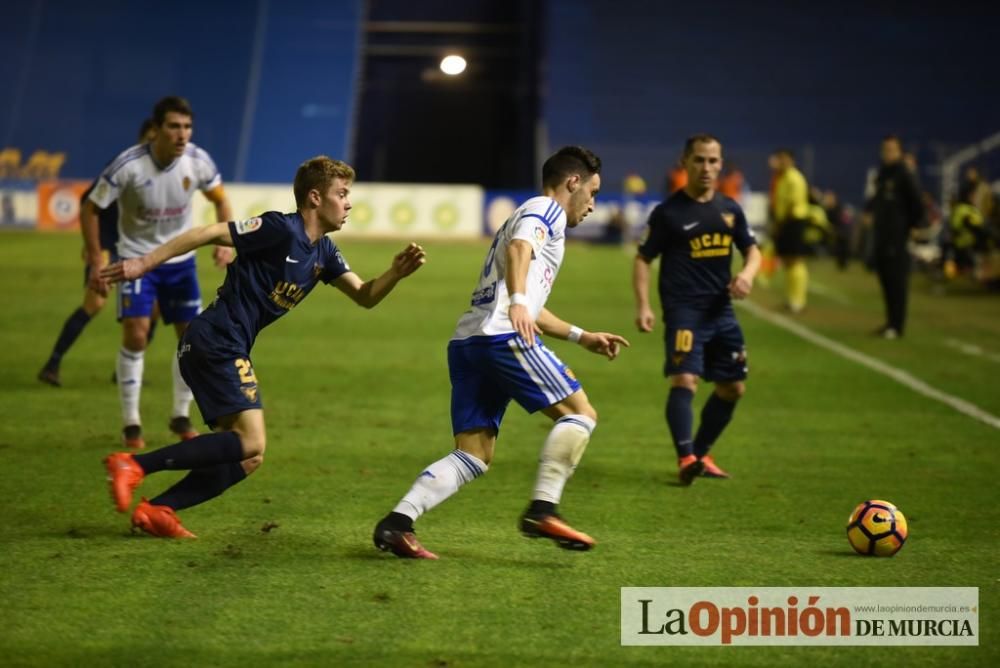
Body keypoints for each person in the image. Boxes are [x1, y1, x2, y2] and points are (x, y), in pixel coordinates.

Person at [101, 156, 426, 538]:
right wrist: (144, 263)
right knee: (251, 439)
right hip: (216, 338)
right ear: (315, 198)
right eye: (342, 194)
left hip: (222, 343)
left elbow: (365, 295)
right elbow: (206, 232)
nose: (349, 203)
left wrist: (395, 274)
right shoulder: (278, 229)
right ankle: (134, 465)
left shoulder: (325, 253)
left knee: (249, 456)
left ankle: (158, 509)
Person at [372, 146, 629, 560]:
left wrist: (582, 336)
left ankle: (397, 523)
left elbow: (530, 300)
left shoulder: (533, 220)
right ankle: (543, 509)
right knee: (580, 413)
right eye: (593, 192)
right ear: (573, 182)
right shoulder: (546, 209)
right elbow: (519, 253)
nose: (594, 205)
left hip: (470, 341)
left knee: (473, 455)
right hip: (501, 336)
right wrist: (519, 305)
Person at [84, 96, 234, 449]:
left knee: (191, 338)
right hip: (136, 261)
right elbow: (90, 209)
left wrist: (224, 238)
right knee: (137, 335)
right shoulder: (128, 165)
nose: (182, 135)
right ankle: (131, 422)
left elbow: (220, 200)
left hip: (180, 262)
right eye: (174, 127)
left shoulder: (197, 161)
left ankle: (181, 414)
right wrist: (95, 259)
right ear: (156, 130)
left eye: (187, 127)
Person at [633, 134, 760, 484]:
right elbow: (643, 259)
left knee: (732, 388)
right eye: (700, 160)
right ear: (685, 162)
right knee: (684, 379)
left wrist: (747, 275)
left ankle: (700, 454)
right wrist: (644, 306)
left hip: (722, 313)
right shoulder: (668, 213)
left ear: (721, 164)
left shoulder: (730, 210)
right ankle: (686, 456)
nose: (707, 167)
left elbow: (753, 250)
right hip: (684, 312)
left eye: (713, 161)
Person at [38, 119, 157, 387]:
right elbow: (87, 202)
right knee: (95, 303)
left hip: (136, 249)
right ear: (142, 138)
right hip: (107, 245)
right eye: (149, 137)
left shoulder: (159, 172)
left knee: (155, 311)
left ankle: (125, 371)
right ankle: (52, 364)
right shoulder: (124, 165)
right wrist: (93, 251)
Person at [864, 135, 925, 339]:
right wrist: (868, 211)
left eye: (892, 150)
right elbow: (876, 197)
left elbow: (917, 201)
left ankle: (897, 326)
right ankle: (890, 322)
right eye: (885, 149)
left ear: (899, 151)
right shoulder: (883, 172)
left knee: (897, 281)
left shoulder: (903, 173)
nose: (888, 153)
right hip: (882, 233)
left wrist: (915, 225)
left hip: (898, 235)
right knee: (886, 280)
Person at [771, 148, 810, 313]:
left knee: (795, 260)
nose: (781, 162)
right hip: (786, 221)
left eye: (784, 159)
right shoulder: (783, 178)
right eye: (780, 159)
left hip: (793, 221)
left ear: (791, 160)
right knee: (787, 261)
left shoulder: (795, 178)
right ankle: (791, 298)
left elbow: (792, 204)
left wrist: (781, 223)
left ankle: (798, 300)